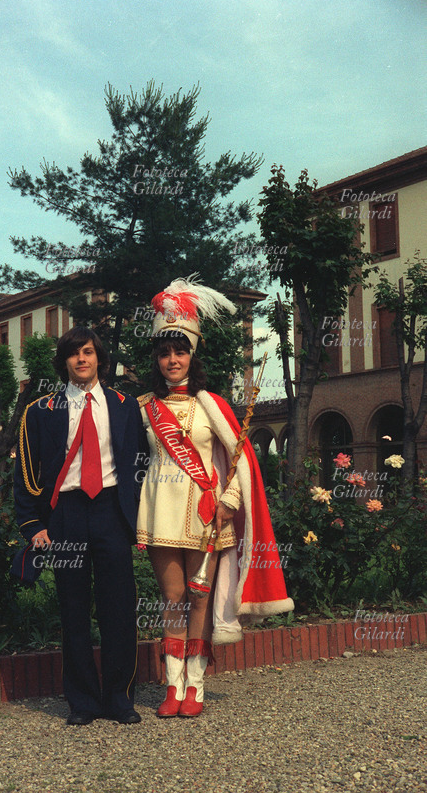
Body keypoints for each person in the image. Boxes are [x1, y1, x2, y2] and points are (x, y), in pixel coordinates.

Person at [136, 277, 294, 717]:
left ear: (192, 355)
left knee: (201, 597)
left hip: (209, 515)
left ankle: (197, 687)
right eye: (165, 352)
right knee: (172, 600)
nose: (172, 359)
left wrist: (229, 501)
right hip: (162, 514)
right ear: (157, 357)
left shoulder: (214, 405)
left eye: (180, 351)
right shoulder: (144, 407)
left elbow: (241, 463)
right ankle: (172, 686)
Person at [13, 326, 148, 725]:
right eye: (73, 354)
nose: (81, 359)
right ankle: (83, 702)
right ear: (65, 362)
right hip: (66, 514)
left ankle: (121, 699)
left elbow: (140, 464)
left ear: (99, 358)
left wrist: (137, 518)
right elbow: (25, 471)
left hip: (110, 511)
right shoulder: (41, 411)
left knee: (119, 609)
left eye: (87, 352)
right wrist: (33, 524)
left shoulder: (125, 406)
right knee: (73, 609)